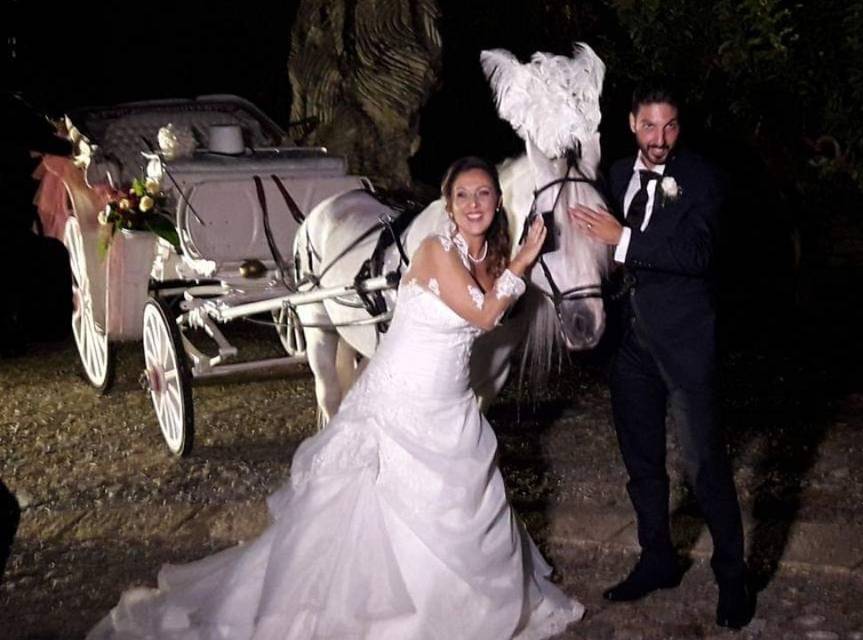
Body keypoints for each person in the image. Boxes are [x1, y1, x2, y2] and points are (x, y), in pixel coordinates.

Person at [88, 156, 584, 639]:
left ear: (499, 203)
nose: (474, 204)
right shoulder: (436, 250)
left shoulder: (483, 256)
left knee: (458, 507)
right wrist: (524, 258)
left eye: (484, 194)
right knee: (381, 508)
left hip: (449, 405)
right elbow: (484, 315)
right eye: (462, 195)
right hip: (403, 399)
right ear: (447, 204)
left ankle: (460, 606)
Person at [569, 82, 754, 629]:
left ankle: (733, 579)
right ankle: (657, 561)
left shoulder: (701, 177)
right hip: (629, 346)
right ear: (631, 124)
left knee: (705, 467)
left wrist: (621, 237)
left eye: (669, 126)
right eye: (649, 126)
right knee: (642, 464)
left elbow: (696, 253)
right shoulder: (618, 174)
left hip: (685, 343)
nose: (659, 138)